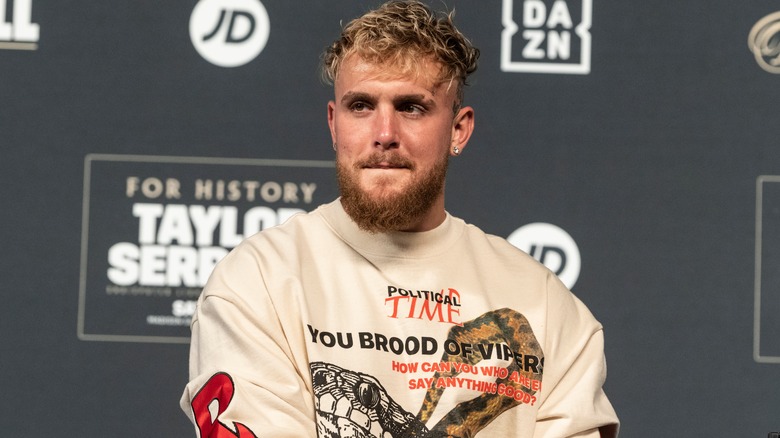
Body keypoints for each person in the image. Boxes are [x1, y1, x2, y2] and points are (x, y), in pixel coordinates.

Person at [180, 1, 619, 437]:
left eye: (411, 107)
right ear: (334, 125)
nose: (384, 135)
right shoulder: (257, 282)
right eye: (361, 106)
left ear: (458, 130)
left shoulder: (542, 305)